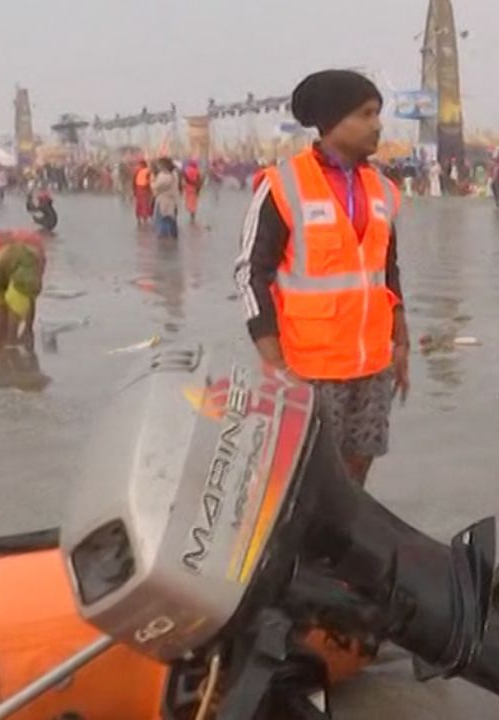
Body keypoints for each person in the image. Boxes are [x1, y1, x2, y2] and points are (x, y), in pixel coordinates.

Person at [235, 69, 409, 486]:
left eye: (378, 113)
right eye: (366, 114)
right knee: (301, 475)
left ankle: (340, 544)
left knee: (358, 466)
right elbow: (249, 274)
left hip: (371, 365)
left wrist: (401, 342)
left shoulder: (382, 189)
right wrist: (274, 363)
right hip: (307, 369)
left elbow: (388, 271)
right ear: (332, 122)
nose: (377, 124)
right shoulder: (283, 186)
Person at [152, 158, 180, 239]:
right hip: (171, 200)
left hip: (164, 200)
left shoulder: (165, 176)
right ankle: (172, 236)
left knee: (164, 218)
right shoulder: (174, 174)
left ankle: (165, 237)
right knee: (170, 218)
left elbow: (157, 186)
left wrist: (153, 182)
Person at [182, 160, 203, 224]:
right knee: (194, 202)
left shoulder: (186, 170)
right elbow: (199, 180)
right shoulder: (197, 171)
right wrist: (199, 188)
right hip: (195, 188)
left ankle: (190, 212)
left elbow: (184, 178)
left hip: (188, 188)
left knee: (189, 200)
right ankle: (192, 215)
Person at [133, 160, 153, 225]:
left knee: (139, 204)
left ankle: (139, 218)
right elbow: (149, 181)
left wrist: (134, 190)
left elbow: (133, 181)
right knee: (144, 204)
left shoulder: (137, 171)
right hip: (144, 188)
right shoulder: (147, 171)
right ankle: (144, 218)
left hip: (139, 188)